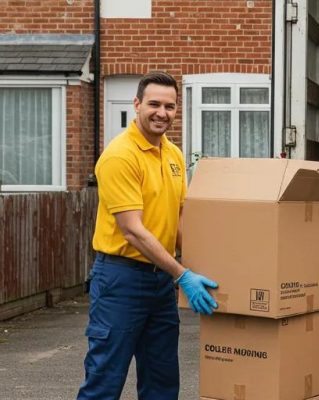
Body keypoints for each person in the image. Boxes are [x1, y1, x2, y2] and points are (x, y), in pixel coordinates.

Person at [77, 71, 219, 400]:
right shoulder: (120, 156)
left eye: (169, 106)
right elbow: (133, 230)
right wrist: (182, 274)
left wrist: (209, 262)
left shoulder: (173, 154)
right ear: (137, 104)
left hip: (160, 283)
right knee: (105, 378)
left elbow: (179, 218)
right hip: (120, 279)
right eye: (154, 104)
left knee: (162, 379)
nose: (162, 112)